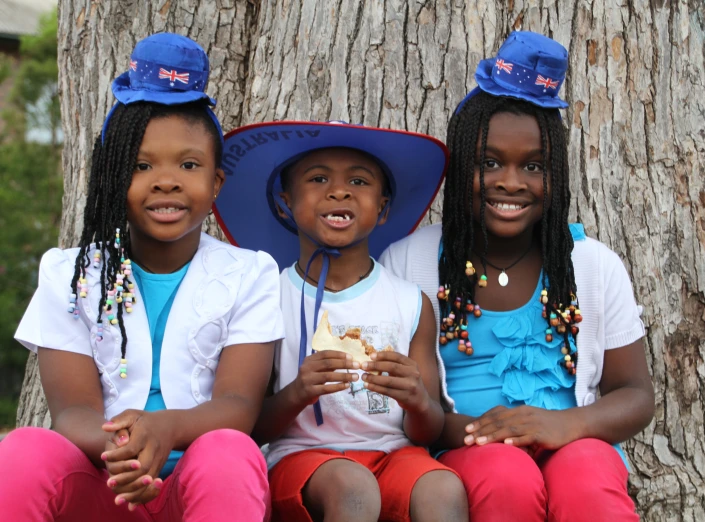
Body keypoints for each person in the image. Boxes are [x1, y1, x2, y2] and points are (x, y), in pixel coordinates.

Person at [0, 33, 284, 522]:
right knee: (24, 450)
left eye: (189, 165)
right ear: (112, 176)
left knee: (229, 453)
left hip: (197, 489)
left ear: (216, 182)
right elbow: (72, 414)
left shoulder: (249, 273)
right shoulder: (69, 274)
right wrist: (128, 448)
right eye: (141, 165)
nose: (167, 180)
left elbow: (238, 405)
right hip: (105, 487)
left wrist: (166, 429)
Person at [380, 31, 655, 521]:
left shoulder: (591, 266)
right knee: (507, 477)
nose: (511, 182)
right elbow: (407, 405)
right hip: (466, 445)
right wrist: (489, 433)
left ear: (558, 177)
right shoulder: (411, 261)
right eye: (489, 163)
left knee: (589, 478)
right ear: (461, 165)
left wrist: (561, 426)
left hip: (574, 440)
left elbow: (635, 394)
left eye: (533, 166)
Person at [214, 121, 468, 522]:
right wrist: (297, 392)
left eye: (359, 181)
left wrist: (416, 398)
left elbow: (429, 430)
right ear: (284, 203)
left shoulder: (409, 303)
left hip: (394, 455)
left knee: (443, 488)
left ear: (383, 208)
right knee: (351, 488)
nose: (339, 191)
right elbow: (250, 424)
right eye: (317, 179)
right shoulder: (267, 298)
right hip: (301, 458)